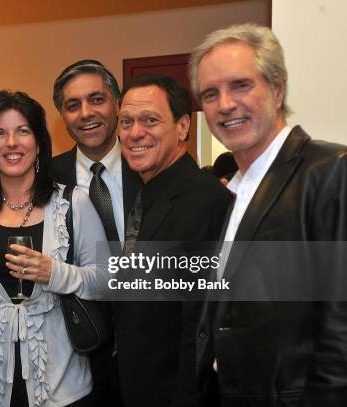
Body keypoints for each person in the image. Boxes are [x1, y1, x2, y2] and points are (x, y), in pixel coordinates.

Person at [190, 23, 347, 405]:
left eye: (241, 85)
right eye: (210, 93)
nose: (225, 104)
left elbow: (341, 328)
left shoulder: (330, 171)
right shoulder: (234, 190)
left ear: (277, 90)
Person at [0, 90, 110, 407]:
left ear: (39, 142)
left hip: (63, 384)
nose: (11, 143)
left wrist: (54, 273)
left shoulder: (71, 202)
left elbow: (106, 279)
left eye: (22, 131)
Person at [115, 73, 232, 406]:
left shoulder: (206, 202)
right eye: (126, 122)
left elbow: (201, 329)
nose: (135, 133)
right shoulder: (147, 193)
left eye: (150, 120)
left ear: (183, 127)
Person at [52, 59, 140, 248]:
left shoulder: (147, 169)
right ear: (63, 117)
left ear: (118, 105)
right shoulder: (46, 179)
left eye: (97, 100)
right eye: (73, 106)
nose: (86, 113)